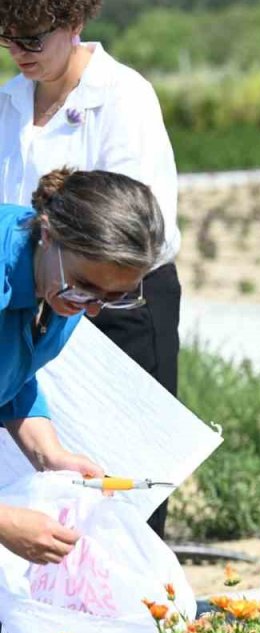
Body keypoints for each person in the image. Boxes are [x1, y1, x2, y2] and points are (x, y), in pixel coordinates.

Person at [0, 0, 182, 538]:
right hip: (32, 276)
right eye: (7, 38)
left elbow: (14, 380)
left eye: (32, 38)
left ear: (73, 22)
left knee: (122, 472)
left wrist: (49, 452)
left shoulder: (123, 96)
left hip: (76, 277)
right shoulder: (56, 286)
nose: (18, 53)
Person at [0, 168, 164, 565]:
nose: (91, 309)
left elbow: (14, 370)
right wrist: (5, 522)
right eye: (84, 287)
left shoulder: (63, 283)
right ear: (50, 234)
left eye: (114, 296)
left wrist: (50, 454)